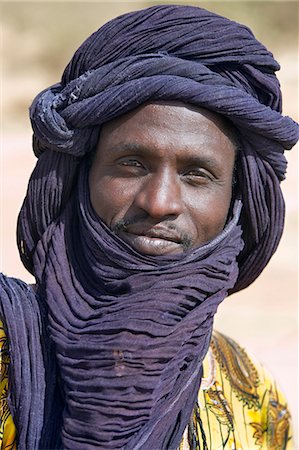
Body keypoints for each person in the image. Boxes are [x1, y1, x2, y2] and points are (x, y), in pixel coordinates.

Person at [0, 4, 298, 449]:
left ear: (235, 201)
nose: (159, 203)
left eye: (197, 174)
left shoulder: (252, 394)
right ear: (80, 175)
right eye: (132, 164)